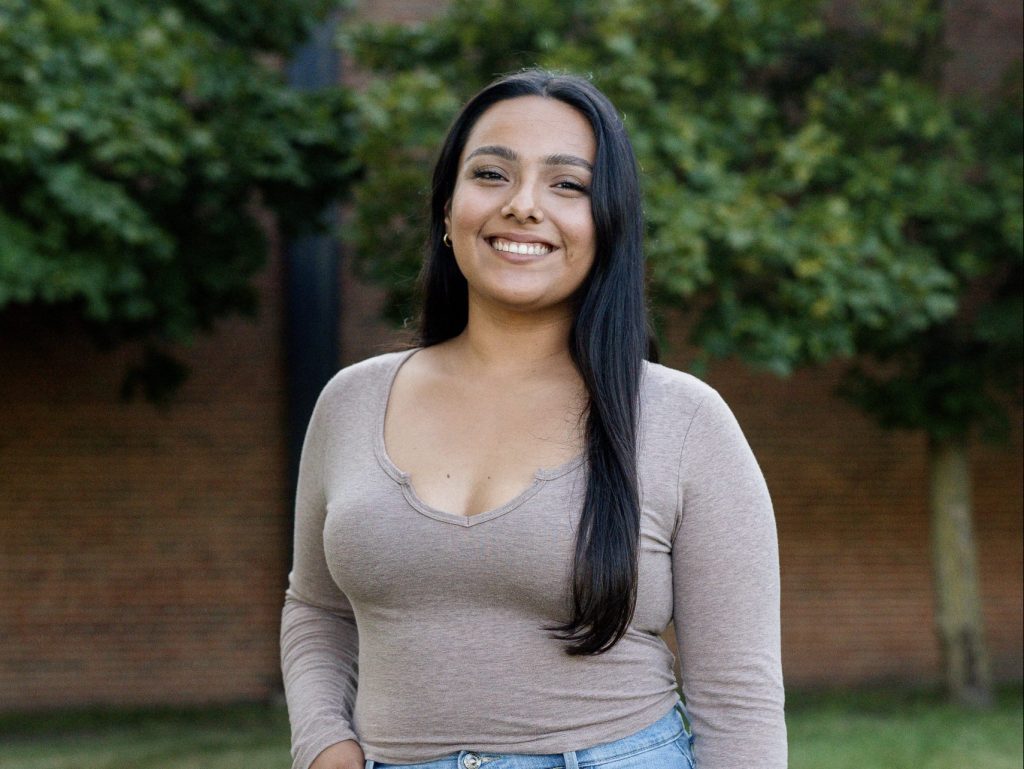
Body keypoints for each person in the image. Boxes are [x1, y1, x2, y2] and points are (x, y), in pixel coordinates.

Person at [280, 69, 786, 769]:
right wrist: (323, 743)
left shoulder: (682, 420)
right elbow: (316, 609)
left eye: (567, 185)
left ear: (606, 226)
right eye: (492, 173)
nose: (523, 206)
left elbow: (738, 700)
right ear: (447, 210)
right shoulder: (350, 402)